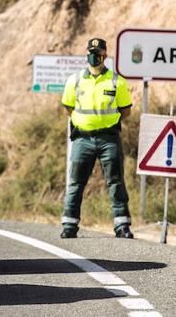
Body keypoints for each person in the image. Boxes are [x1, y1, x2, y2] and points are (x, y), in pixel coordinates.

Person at [60, 37, 134, 240]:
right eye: (91, 53)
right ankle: (69, 225)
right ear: (87, 54)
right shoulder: (74, 80)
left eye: (98, 53)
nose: (94, 57)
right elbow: (68, 108)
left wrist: (104, 122)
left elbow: (125, 111)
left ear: (105, 55)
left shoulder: (117, 81)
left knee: (115, 182)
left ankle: (122, 226)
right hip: (82, 140)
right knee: (75, 182)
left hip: (108, 139)